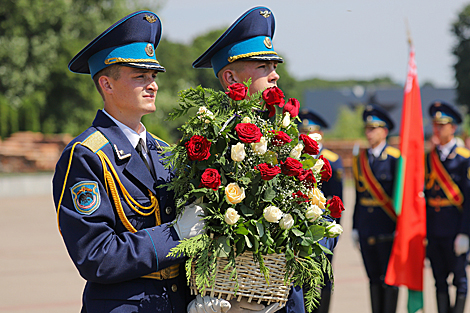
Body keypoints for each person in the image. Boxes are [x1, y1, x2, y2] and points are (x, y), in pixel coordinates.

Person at [52, 11, 205, 313]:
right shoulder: (87, 155)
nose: (153, 85)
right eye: (140, 76)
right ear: (107, 85)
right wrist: (175, 235)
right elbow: (96, 256)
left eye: (153, 76)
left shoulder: (164, 152)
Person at [192, 6, 338, 313]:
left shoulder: (287, 138)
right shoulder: (211, 145)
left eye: (274, 64)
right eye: (263, 66)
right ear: (231, 76)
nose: (276, 74)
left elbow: (321, 217)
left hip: (288, 299)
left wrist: (306, 247)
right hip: (235, 302)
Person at [351, 104, 400, 313]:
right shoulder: (359, 159)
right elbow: (358, 197)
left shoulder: (395, 159)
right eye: (367, 129)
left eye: (374, 128)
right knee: (372, 278)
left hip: (388, 228)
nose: (369, 133)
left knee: (389, 279)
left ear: (385, 131)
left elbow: (399, 196)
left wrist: (400, 226)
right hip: (366, 228)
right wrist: (355, 226)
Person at [425, 100, 470, 313]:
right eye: (435, 124)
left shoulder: (464, 159)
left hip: (455, 230)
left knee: (460, 281)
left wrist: (465, 233)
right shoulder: (428, 158)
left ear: (453, 128)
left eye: (442, 125)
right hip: (434, 231)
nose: (437, 129)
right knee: (439, 281)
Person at [297, 109, 344, 313]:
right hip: (299, 226)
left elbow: (336, 200)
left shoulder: (331, 160)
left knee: (323, 277)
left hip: (323, 227)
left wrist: (334, 230)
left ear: (320, 134)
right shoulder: (296, 158)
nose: (307, 137)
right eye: (303, 133)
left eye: (311, 132)